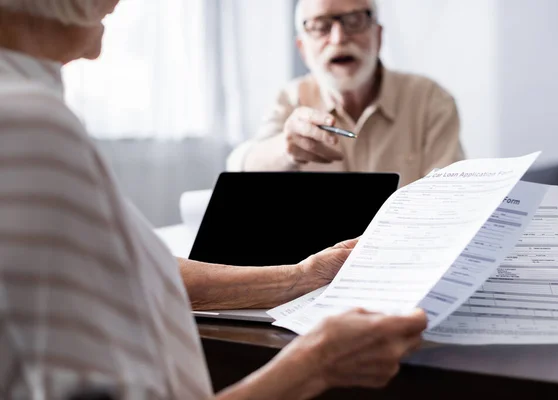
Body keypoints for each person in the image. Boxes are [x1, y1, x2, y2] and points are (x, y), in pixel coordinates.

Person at [0, 1, 427, 399]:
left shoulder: (32, 112)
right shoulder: (28, 125)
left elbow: (133, 271)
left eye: (355, 21)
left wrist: (304, 275)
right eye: (321, 26)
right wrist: (315, 364)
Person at [227, 0, 465, 187]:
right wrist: (285, 149)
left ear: (379, 36)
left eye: (355, 20)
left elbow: (452, 195)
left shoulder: (430, 100)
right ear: (303, 49)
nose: (339, 38)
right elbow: (239, 167)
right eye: (320, 26)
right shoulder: (290, 100)